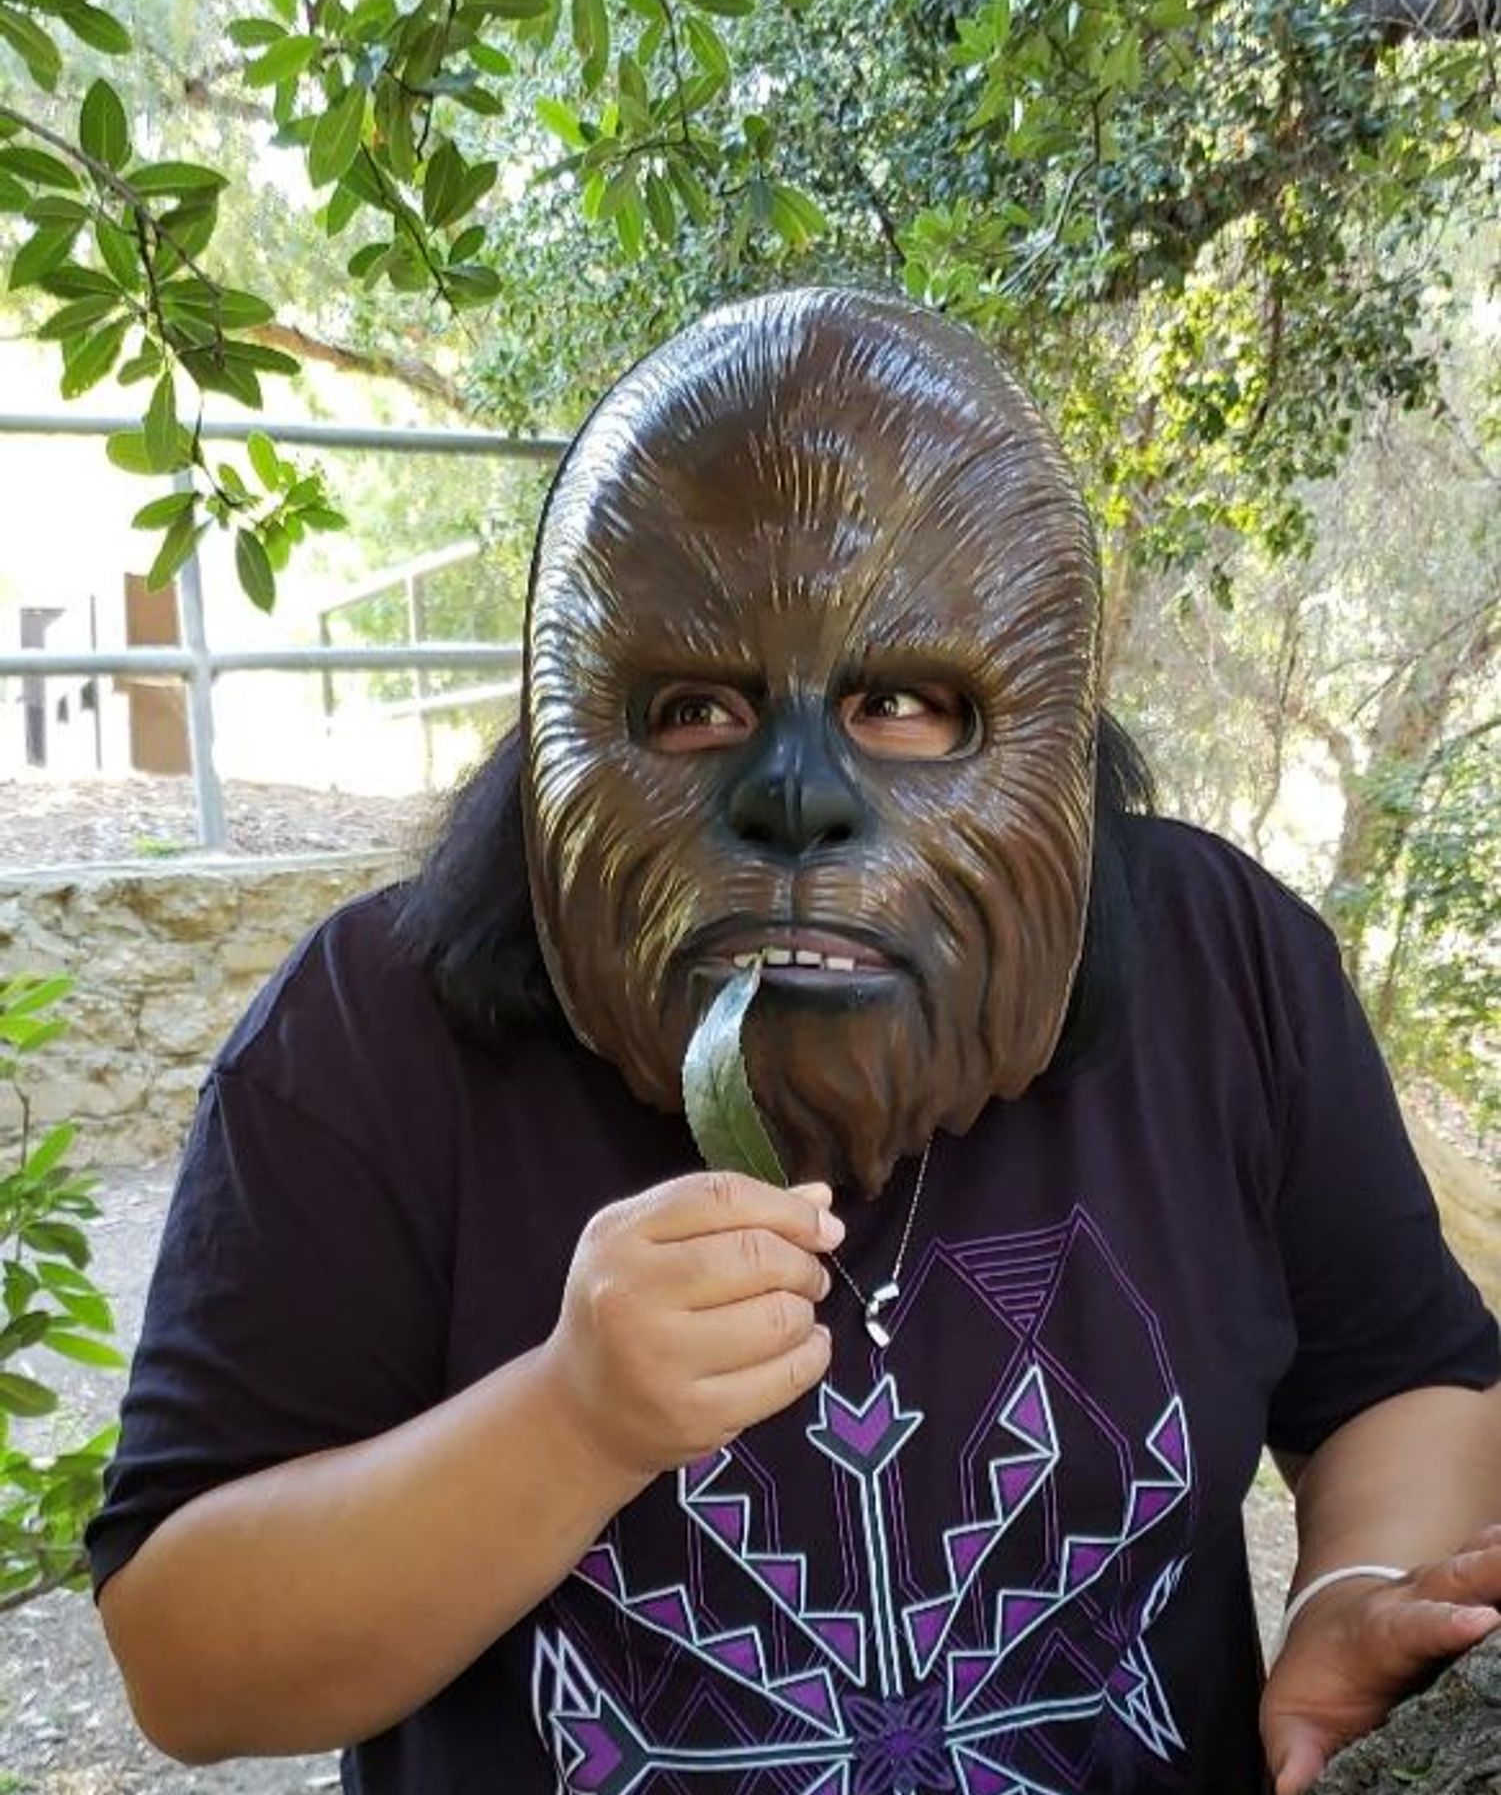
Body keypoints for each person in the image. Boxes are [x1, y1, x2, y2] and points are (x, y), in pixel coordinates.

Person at [88, 290, 1500, 1795]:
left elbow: (1393, 1375)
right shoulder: (365, 1036)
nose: (792, 796)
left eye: (904, 702)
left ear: (1058, 724)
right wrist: (570, 1420)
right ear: (551, 717)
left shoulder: (1219, 964)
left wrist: (1354, 1594)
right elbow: (193, 1666)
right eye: (693, 706)